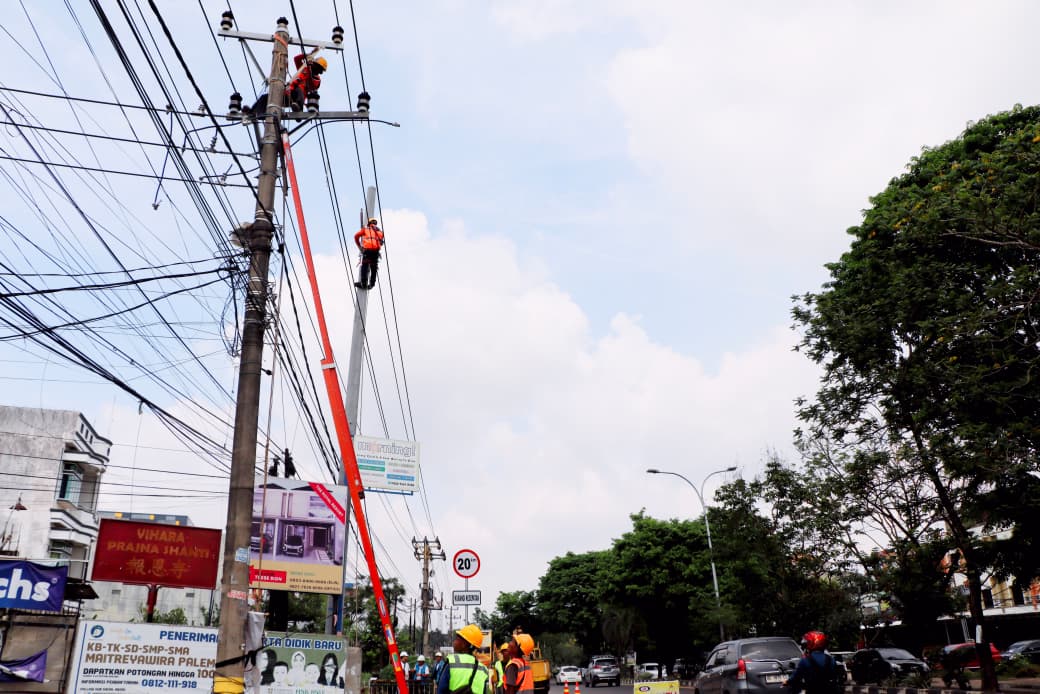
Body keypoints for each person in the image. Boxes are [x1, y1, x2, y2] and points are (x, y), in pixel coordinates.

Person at [437, 624, 490, 694]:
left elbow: (441, 690)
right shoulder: (483, 669)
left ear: (464, 644)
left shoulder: (452, 662)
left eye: (457, 639)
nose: (454, 642)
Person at [354, 217, 385, 289]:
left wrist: (359, 246)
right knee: (373, 267)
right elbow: (381, 242)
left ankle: (363, 284)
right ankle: (372, 284)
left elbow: (356, 236)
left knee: (364, 265)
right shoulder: (380, 232)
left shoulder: (366, 229)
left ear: (369, 224)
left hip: (367, 250)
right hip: (375, 252)